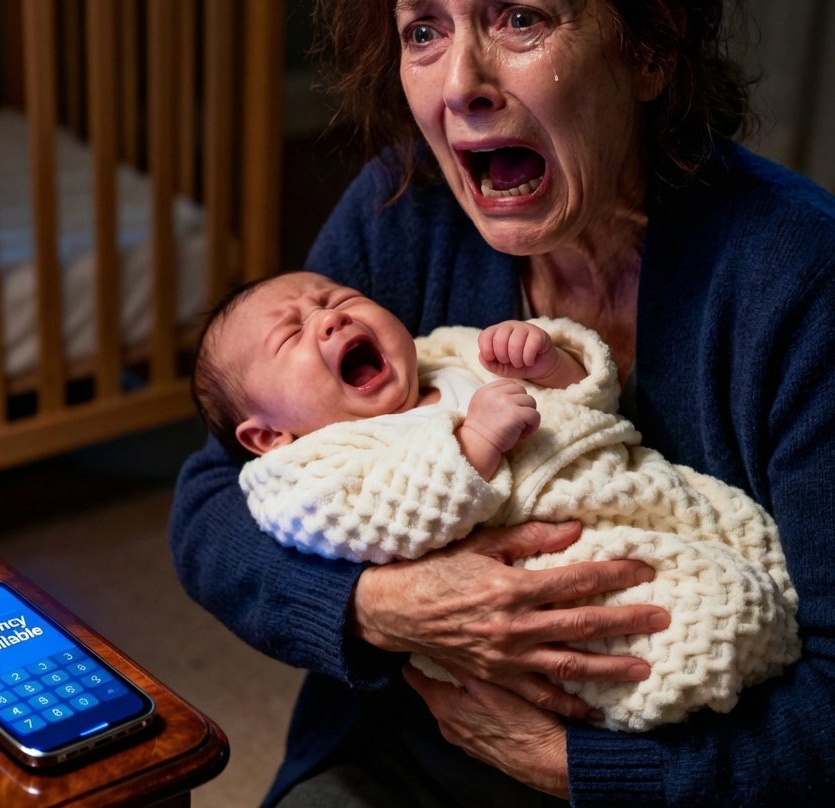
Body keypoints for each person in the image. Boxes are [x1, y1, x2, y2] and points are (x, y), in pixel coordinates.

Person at [169, 0, 835, 806]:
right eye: (423, 31)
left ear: (648, 48)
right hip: (403, 748)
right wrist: (380, 604)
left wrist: (571, 767)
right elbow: (213, 502)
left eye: (518, 19)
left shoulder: (798, 280)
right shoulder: (404, 205)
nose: (459, 83)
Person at [190, 269, 798, 734]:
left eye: (338, 299)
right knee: (682, 619)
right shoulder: (309, 469)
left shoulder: (449, 353)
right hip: (551, 570)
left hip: (629, 485)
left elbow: (586, 408)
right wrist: (474, 442)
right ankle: (720, 666)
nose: (328, 320)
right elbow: (373, 520)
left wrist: (552, 365)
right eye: (291, 333)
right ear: (268, 436)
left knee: (753, 549)